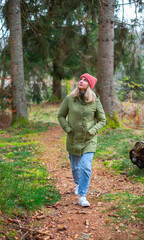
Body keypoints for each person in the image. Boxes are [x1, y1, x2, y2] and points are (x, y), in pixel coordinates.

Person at [57, 73, 106, 207]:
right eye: (81, 79)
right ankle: (78, 184)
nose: (81, 81)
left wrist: (92, 131)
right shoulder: (69, 98)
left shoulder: (95, 100)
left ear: (89, 85)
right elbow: (61, 116)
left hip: (89, 140)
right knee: (75, 168)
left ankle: (83, 196)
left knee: (85, 167)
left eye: (85, 80)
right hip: (73, 139)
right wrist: (67, 129)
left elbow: (102, 120)